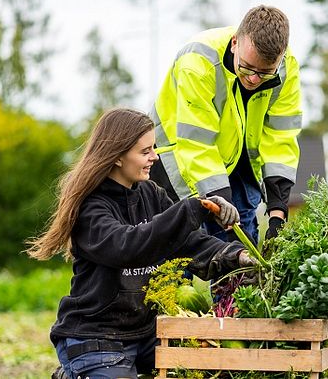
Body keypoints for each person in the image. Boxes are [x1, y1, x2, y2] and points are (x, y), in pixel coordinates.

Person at [26, 108, 256, 379]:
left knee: (212, 367)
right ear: (119, 156)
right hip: (96, 336)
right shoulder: (91, 208)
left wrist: (237, 256)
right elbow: (128, 247)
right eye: (145, 151)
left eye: (154, 148)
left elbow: (188, 243)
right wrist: (191, 209)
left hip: (147, 333)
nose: (154, 158)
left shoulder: (151, 194)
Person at [149, 5, 302, 244]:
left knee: (238, 263)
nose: (253, 79)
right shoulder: (198, 62)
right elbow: (197, 142)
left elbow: (280, 138)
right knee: (181, 262)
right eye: (247, 67)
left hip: (238, 167)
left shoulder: (286, 68)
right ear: (234, 43)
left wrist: (277, 215)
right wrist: (221, 200)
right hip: (180, 166)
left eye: (265, 73)